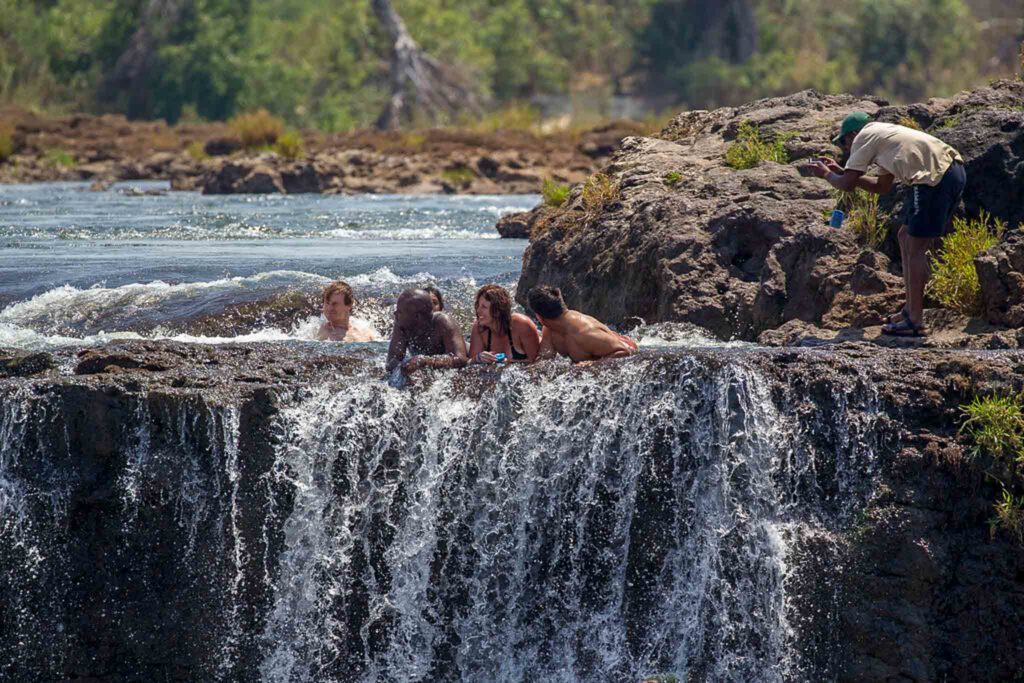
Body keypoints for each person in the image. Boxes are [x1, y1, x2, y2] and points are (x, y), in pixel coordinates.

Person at [805, 112, 966, 337]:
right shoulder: (883, 138)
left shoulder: (864, 136)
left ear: (853, 134)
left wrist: (825, 175)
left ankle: (915, 320)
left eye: (844, 141)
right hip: (948, 171)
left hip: (932, 179)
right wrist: (841, 172)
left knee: (915, 246)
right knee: (905, 236)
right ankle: (910, 311)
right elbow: (882, 186)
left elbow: (847, 185)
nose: (845, 147)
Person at [527, 285, 638, 362]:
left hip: (628, 350)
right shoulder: (549, 329)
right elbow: (545, 359)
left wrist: (591, 365)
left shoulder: (586, 333)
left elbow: (624, 352)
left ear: (539, 317)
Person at [386, 288, 468, 375]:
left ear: (417, 317)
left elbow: (461, 359)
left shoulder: (443, 322)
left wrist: (426, 361)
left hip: (468, 352)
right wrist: (403, 368)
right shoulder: (401, 323)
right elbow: (391, 362)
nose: (395, 314)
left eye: (400, 312)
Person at [467, 284, 542, 364]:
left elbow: (537, 361)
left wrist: (509, 363)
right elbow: (470, 364)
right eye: (478, 306)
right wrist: (477, 358)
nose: (478, 311)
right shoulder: (479, 327)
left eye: (484, 307)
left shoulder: (522, 324)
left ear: (497, 311)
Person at [316, 281, 381, 342]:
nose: (329, 308)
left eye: (335, 304)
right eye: (327, 303)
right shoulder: (318, 332)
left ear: (349, 305)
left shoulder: (365, 331)